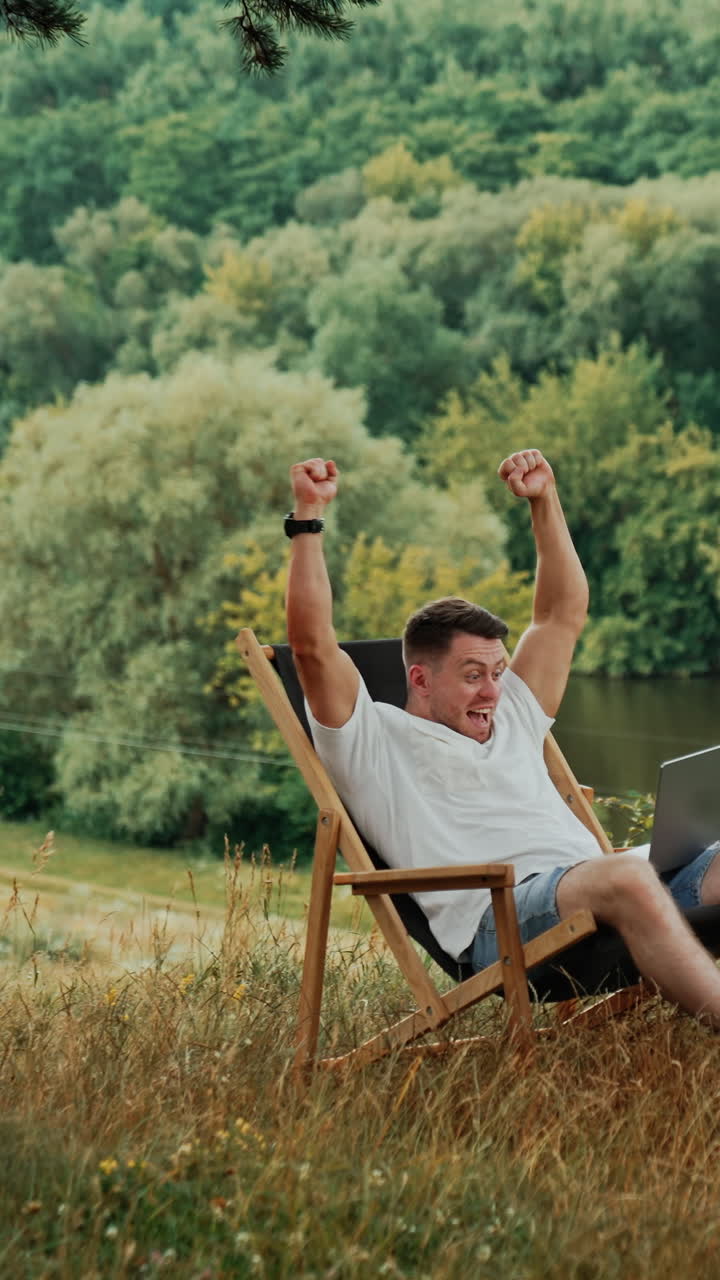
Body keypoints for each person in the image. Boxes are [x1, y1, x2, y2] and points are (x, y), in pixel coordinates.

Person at [284, 449, 720, 1028]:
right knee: (624, 875)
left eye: (496, 671)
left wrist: (545, 499)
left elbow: (562, 614)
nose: (493, 690)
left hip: (599, 890)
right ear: (420, 678)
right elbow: (312, 646)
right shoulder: (368, 739)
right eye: (472, 676)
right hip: (501, 918)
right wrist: (309, 517)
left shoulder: (510, 707)